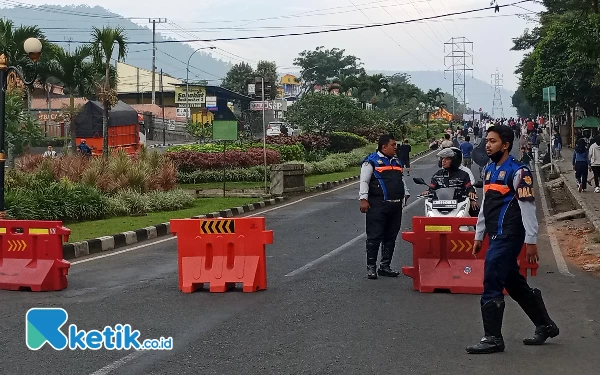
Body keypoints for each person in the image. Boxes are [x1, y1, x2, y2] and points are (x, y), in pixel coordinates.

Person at [467, 124, 559, 355]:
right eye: (487, 141)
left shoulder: (519, 171)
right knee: (513, 283)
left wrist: (531, 240)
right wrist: (479, 234)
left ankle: (493, 338)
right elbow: (486, 204)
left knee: (492, 278)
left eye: (493, 141)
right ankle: (545, 325)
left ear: (506, 145)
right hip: (495, 233)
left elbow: (527, 208)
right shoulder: (488, 169)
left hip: (509, 235)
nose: (487, 145)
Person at [359, 134, 410, 279]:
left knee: (391, 236)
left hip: (395, 206)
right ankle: (371, 267)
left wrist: (406, 193)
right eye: (393, 145)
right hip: (377, 205)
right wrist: (363, 199)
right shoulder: (371, 162)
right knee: (374, 236)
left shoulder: (396, 161)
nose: (396, 147)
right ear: (384, 147)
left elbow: (400, 179)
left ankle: (385, 266)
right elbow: (364, 181)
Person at [428, 147, 478, 214]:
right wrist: (427, 192)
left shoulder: (464, 174)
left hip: (459, 203)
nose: (443, 161)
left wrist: (471, 195)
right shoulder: (437, 175)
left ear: (454, 160)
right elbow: (432, 188)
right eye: (442, 158)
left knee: (476, 212)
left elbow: (469, 187)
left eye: (447, 159)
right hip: (440, 204)